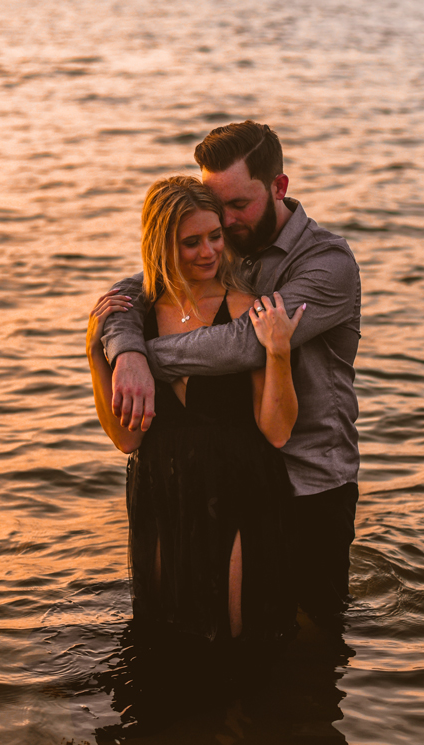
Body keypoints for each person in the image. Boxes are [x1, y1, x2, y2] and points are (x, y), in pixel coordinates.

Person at [99, 121, 361, 630]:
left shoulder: (329, 264)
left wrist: (141, 356)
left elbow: (242, 343)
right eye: (217, 209)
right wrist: (120, 345)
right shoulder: (225, 242)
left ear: (278, 187)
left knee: (312, 642)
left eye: (238, 205)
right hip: (238, 479)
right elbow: (142, 285)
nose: (225, 222)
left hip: (308, 480)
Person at [86, 175, 304, 642]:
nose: (208, 252)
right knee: (167, 639)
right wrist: (94, 352)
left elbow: (278, 431)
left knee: (239, 636)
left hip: (241, 487)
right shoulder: (137, 318)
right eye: (191, 242)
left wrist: (279, 352)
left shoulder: (250, 308)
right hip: (161, 490)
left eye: (215, 237)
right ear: (161, 244)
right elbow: (127, 438)